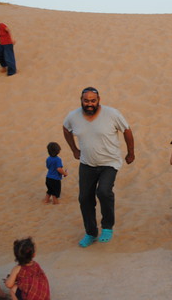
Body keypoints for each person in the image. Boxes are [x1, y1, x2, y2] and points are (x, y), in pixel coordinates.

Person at [63, 87, 135, 247]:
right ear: (81, 100)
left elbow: (127, 131)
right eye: (86, 100)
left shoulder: (112, 114)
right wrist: (74, 149)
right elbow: (66, 129)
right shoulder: (73, 116)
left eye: (92, 101)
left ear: (98, 100)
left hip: (109, 162)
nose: (89, 104)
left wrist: (131, 153)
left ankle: (107, 227)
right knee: (84, 198)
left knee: (103, 191)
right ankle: (90, 232)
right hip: (87, 163)